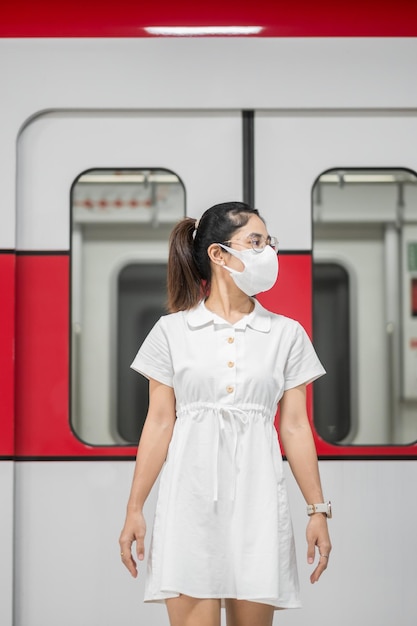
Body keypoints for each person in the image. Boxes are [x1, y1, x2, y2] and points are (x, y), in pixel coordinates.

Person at [119, 201, 332, 626]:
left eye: (269, 242)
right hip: (189, 502)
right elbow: (160, 422)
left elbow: (294, 426)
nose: (267, 252)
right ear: (218, 254)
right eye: (255, 241)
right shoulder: (172, 331)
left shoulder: (286, 334)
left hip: (259, 504)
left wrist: (317, 510)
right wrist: (135, 508)